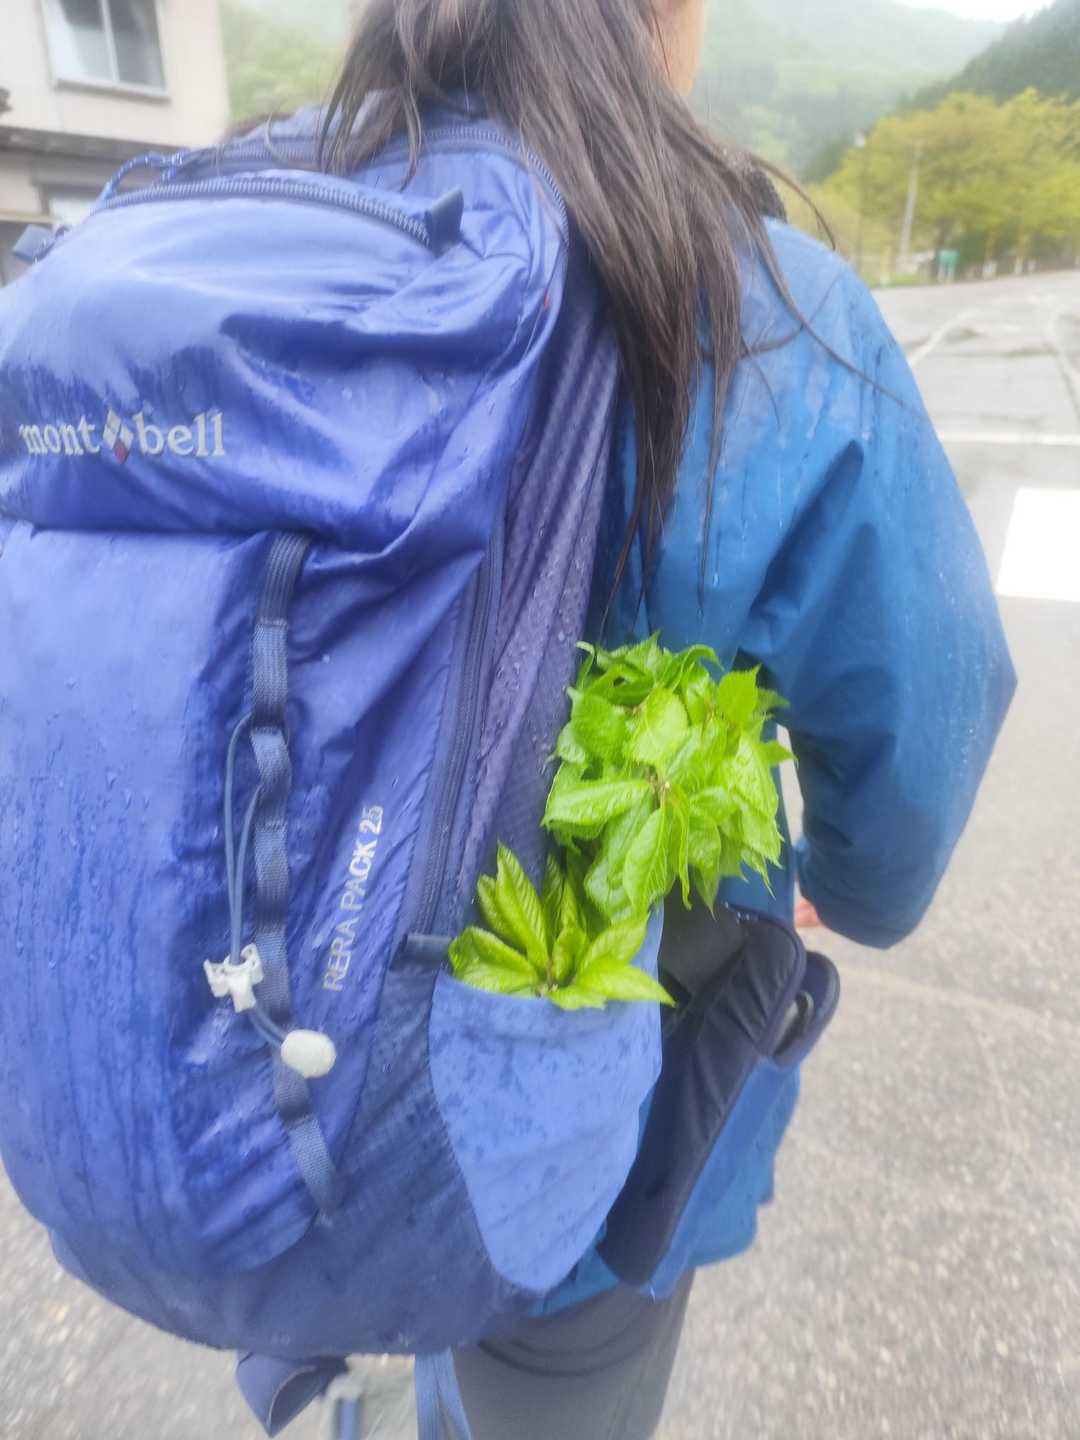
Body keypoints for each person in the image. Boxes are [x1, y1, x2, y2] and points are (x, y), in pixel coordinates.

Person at [327, 1, 1016, 1434]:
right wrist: (849, 886)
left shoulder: (285, 242)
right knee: (549, 1348)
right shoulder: (766, 311)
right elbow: (919, 739)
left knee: (393, 1280)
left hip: (290, 1058)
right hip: (593, 1102)